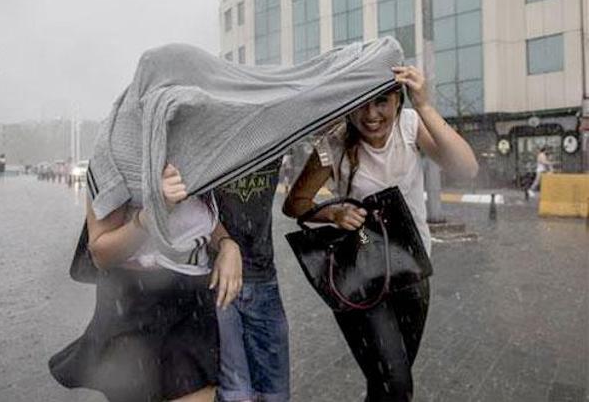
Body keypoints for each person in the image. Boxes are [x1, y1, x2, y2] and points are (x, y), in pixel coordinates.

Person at [283, 66, 478, 402]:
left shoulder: (411, 125)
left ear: (397, 102)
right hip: (361, 276)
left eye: (382, 102)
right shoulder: (334, 142)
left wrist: (426, 105)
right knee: (396, 385)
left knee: (387, 382)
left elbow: (466, 169)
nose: (371, 115)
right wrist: (334, 212)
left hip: (413, 270)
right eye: (362, 104)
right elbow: (295, 203)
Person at [49, 163, 243, 402]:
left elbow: (204, 218)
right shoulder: (117, 152)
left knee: (206, 391)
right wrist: (150, 216)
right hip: (133, 302)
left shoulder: (198, 150)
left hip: (193, 297)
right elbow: (101, 253)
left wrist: (227, 244)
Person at [214, 159, 291, 402]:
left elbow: (322, 126)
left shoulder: (273, 133)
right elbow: (189, 205)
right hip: (215, 280)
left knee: (276, 394)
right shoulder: (205, 136)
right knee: (236, 394)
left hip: (264, 278)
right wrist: (225, 242)